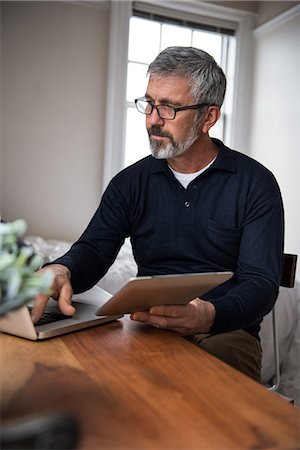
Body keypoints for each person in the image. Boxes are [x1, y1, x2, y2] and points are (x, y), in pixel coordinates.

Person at [32, 46, 284, 382]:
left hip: (225, 332)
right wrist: (61, 268)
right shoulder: (130, 182)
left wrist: (208, 314)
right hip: (147, 326)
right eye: (149, 104)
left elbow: (262, 284)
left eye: (169, 108)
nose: (153, 119)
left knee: (206, 402)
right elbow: (93, 250)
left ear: (208, 117)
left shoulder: (256, 184)